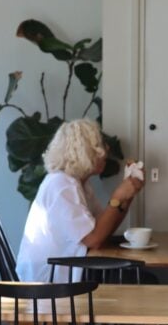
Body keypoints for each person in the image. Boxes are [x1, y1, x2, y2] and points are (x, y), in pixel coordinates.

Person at [16, 118, 144, 282]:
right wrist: (118, 196)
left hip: (70, 270)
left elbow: (103, 229)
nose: (106, 149)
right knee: (143, 280)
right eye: (100, 144)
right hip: (48, 282)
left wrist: (128, 195)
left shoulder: (78, 183)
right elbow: (94, 240)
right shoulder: (61, 185)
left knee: (142, 278)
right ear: (84, 151)